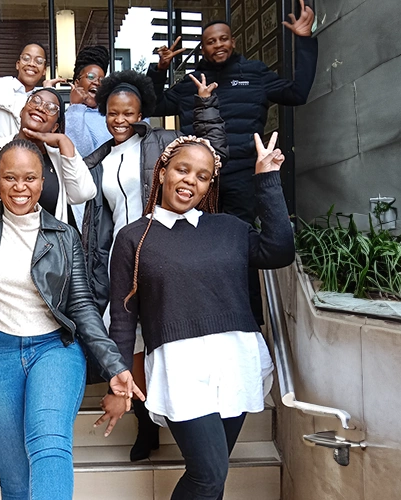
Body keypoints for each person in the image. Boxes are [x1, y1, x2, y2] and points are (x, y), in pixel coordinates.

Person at [0, 121, 144, 500]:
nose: (20, 187)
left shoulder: (63, 235)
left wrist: (114, 364)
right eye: (10, 178)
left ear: (42, 182)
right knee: (14, 475)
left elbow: (82, 306)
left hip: (55, 350)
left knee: (48, 443)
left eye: (30, 178)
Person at [100, 132, 294, 499]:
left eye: (202, 176)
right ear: (162, 172)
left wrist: (267, 179)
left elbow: (280, 250)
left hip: (235, 360)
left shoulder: (229, 229)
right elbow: (123, 318)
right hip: (180, 367)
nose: (191, 180)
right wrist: (118, 378)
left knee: (213, 478)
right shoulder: (133, 238)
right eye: (182, 169)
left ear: (208, 186)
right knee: (207, 475)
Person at [81, 69, 228, 461]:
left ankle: (185, 421)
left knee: (163, 332)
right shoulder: (98, 159)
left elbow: (211, 155)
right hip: (122, 255)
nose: (120, 120)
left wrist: (205, 107)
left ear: (142, 113)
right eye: (113, 112)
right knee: (128, 338)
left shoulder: (162, 142)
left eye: (129, 113)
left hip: (163, 249)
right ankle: (145, 424)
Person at [147, 0, 317, 324]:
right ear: (204, 48)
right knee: (196, 244)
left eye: (223, 38)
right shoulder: (191, 82)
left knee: (240, 246)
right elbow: (153, 106)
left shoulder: (255, 74)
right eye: (211, 41)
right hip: (198, 180)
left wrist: (305, 41)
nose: (218, 45)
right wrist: (159, 70)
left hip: (241, 175)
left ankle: (248, 321)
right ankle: (202, 316)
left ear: (233, 41)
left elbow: (298, 92)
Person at [0, 87, 95, 227]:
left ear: (55, 127)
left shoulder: (58, 157)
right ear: (22, 112)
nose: (40, 108)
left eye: (51, 108)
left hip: (48, 240)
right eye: (35, 101)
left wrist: (64, 141)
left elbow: (83, 194)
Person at [0, 42, 66, 154]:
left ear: (44, 70)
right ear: (18, 64)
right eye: (26, 58)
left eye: (39, 61)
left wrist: (49, 90)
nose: (32, 64)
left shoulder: (42, 102)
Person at [65, 46, 112, 158]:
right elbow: (80, 153)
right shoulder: (67, 117)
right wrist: (75, 107)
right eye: (91, 76)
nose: (97, 83)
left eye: (102, 80)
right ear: (77, 83)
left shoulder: (110, 115)